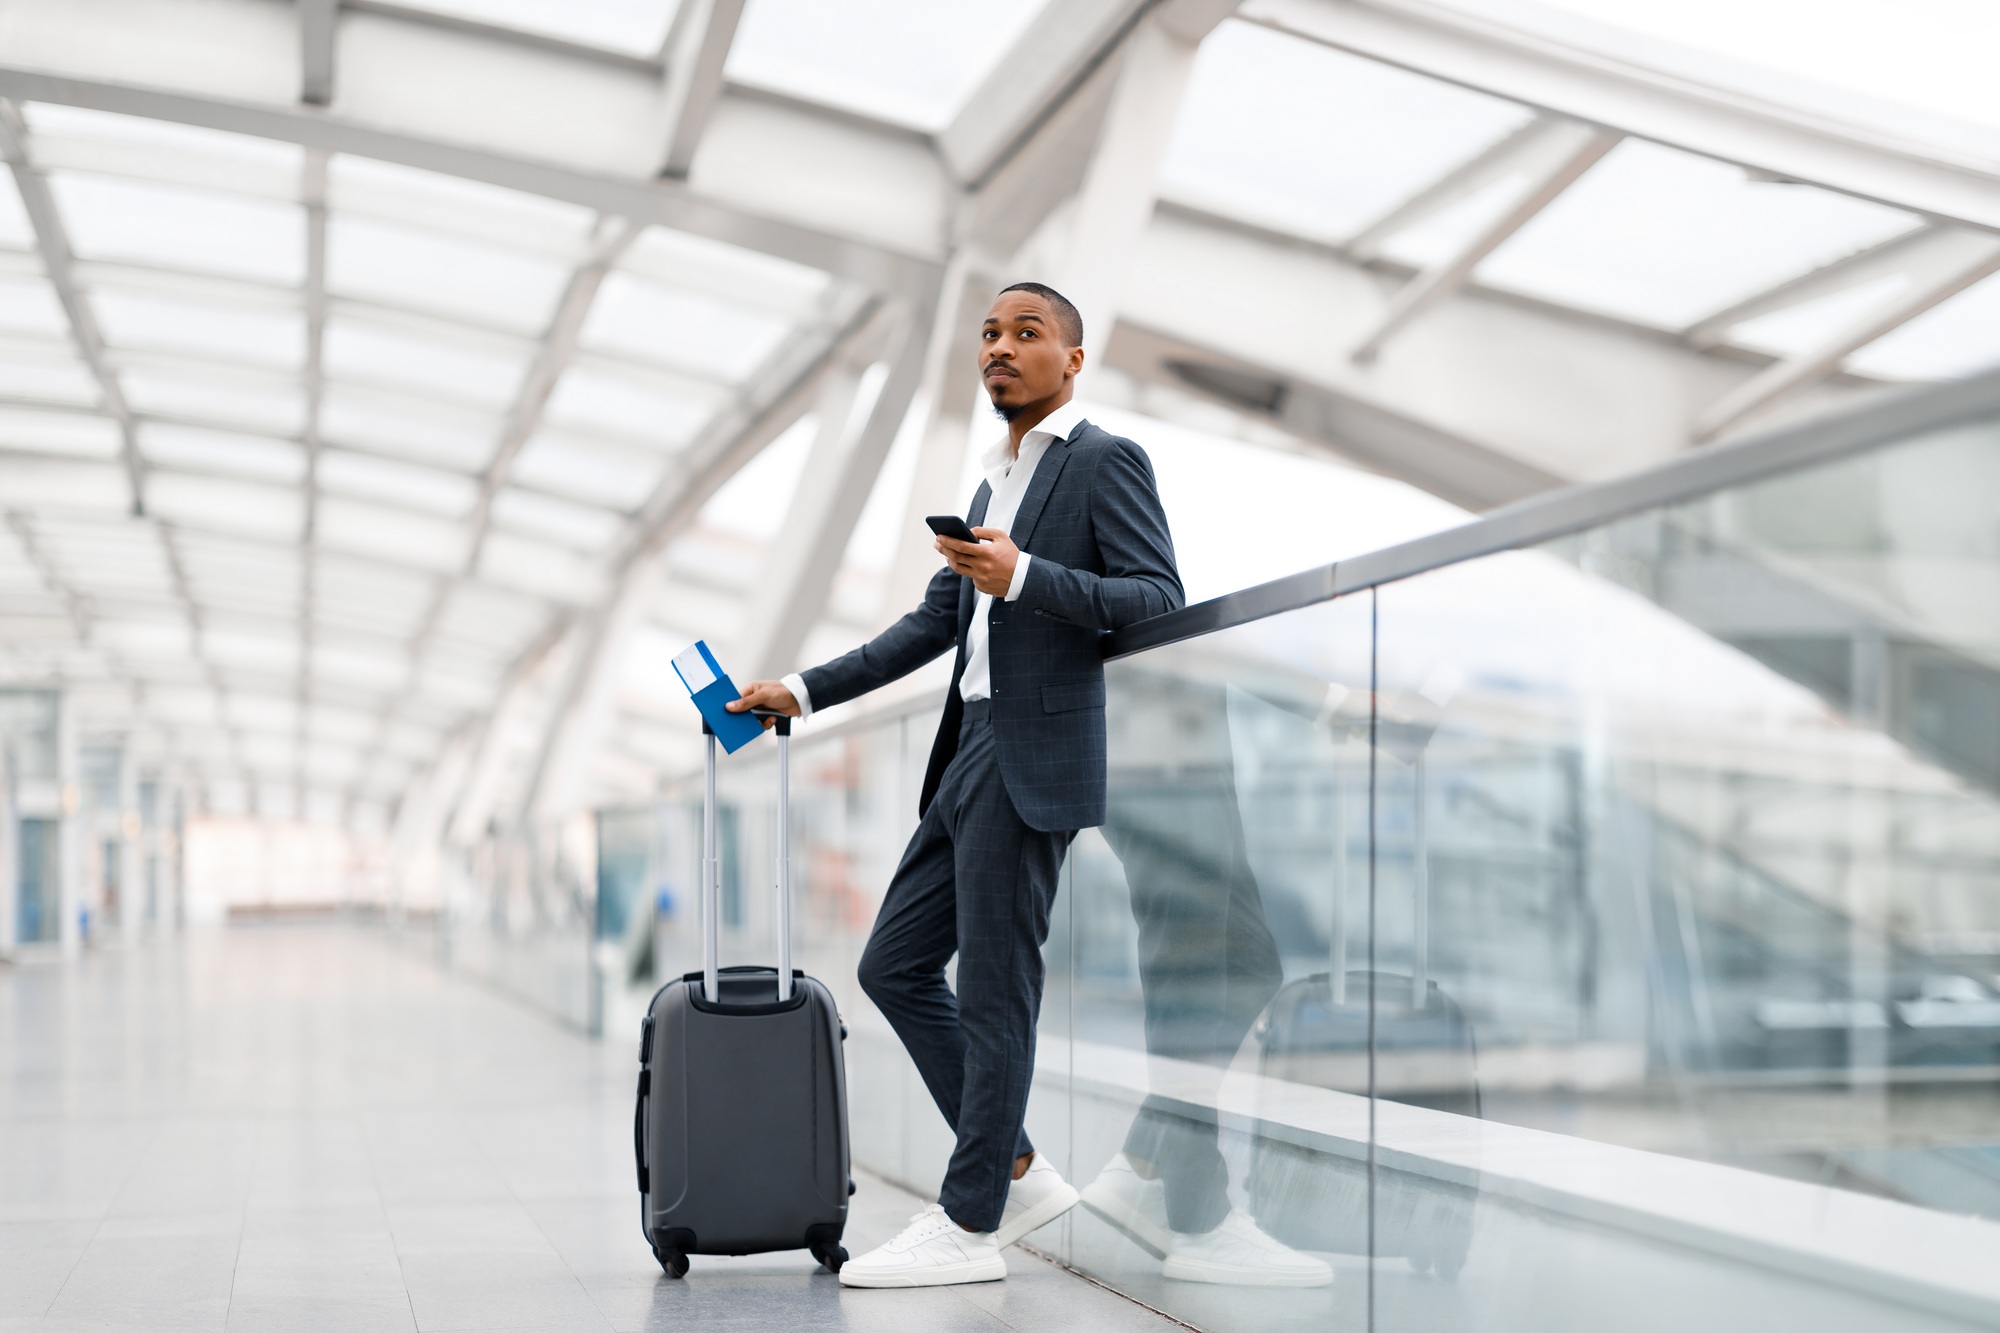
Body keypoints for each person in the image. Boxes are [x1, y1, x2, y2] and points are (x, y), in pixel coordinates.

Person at [729, 282, 1183, 1288]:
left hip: (1033, 758)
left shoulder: (1105, 461)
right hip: (969, 751)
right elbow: (934, 626)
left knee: (994, 990)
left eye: (1027, 334)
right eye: (987, 334)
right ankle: (1012, 1166)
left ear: (1072, 361)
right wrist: (800, 691)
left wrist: (1025, 578)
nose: (999, 348)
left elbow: (1156, 597)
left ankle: (970, 1220)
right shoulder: (990, 487)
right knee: (892, 964)